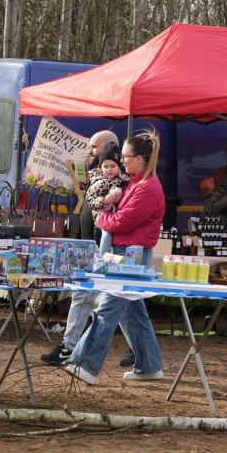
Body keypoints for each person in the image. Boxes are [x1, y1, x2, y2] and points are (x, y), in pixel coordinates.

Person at [63, 129, 166, 385]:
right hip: (128, 255)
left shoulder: (146, 188)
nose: (122, 161)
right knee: (132, 314)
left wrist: (101, 217)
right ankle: (149, 365)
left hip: (129, 256)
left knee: (107, 311)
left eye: (126, 157)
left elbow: (121, 222)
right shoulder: (138, 183)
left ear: (139, 159)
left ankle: (85, 364)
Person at [40, 130, 119, 366]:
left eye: (94, 146)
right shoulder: (97, 173)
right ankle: (143, 355)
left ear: (109, 147)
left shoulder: (116, 178)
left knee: (86, 297)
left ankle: (69, 347)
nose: (90, 150)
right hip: (89, 245)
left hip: (101, 247)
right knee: (122, 304)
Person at [87, 143, 131, 253]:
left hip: (118, 219)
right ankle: (102, 257)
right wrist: (105, 200)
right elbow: (91, 201)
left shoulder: (124, 180)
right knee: (104, 238)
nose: (109, 170)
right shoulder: (97, 182)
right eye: (105, 167)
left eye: (113, 166)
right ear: (100, 167)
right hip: (101, 219)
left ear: (118, 166)